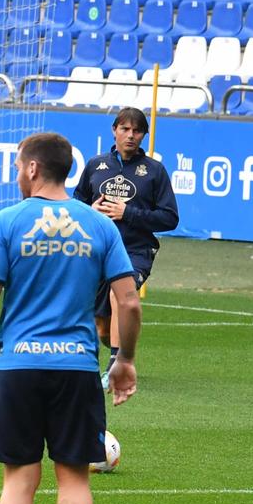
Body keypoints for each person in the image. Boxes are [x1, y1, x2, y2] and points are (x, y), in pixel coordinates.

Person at [0, 131, 141, 504]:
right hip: (76, 367)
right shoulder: (100, 226)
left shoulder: (7, 222)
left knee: (19, 480)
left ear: (33, 169)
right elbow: (126, 301)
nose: (16, 172)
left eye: (18, 164)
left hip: (18, 367)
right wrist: (123, 358)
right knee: (74, 477)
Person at [72, 106, 177, 388]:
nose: (131, 135)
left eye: (137, 131)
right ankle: (114, 348)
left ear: (144, 135)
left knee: (122, 295)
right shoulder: (96, 165)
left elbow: (170, 218)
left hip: (135, 251)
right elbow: (76, 202)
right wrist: (89, 210)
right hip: (98, 250)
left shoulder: (154, 171)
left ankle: (115, 366)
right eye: (125, 129)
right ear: (114, 130)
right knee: (102, 327)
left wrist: (127, 213)